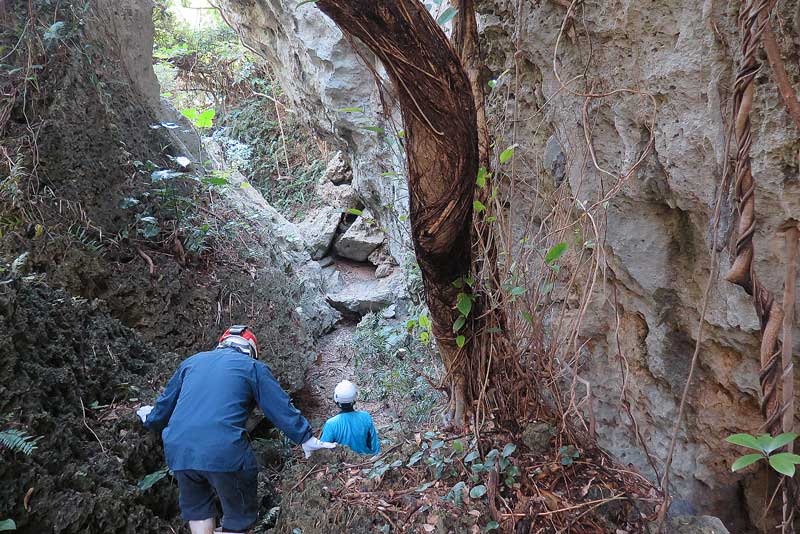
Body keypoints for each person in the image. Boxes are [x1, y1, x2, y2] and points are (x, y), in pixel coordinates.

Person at [136, 325, 335, 534]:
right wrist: (305, 437)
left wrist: (149, 418)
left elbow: (164, 407)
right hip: (224, 451)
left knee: (199, 511)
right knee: (238, 518)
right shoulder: (253, 368)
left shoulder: (191, 363)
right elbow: (279, 407)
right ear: (251, 351)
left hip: (180, 452)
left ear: (221, 344)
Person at [320, 380, 380, 455]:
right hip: (367, 461)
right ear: (354, 399)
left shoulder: (331, 424)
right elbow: (374, 445)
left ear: (336, 400)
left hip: (343, 463)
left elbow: (323, 450)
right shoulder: (365, 417)